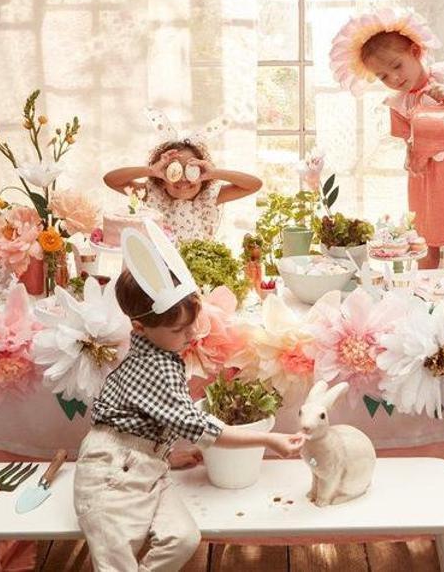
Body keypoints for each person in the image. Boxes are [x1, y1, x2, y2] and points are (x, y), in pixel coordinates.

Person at [73, 220, 304, 571]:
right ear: (139, 327)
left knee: (182, 538)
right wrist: (268, 440)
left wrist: (163, 455)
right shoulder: (155, 368)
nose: (191, 334)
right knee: (116, 557)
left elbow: (146, 421)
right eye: (179, 329)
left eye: (192, 323)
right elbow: (200, 427)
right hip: (112, 472)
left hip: (146, 467)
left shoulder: (160, 354)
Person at [330, 9, 444, 269]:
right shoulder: (400, 102)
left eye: (397, 66)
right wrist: (411, 156)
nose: (394, 78)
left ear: (415, 51)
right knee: (425, 243)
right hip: (429, 179)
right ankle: (421, 289)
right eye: (383, 76)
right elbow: (410, 143)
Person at [103, 137, 262, 242]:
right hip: (161, 271)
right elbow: (111, 180)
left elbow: (254, 184)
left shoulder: (209, 197)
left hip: (197, 274)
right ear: (162, 178)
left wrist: (214, 173)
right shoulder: (152, 194)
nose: (183, 179)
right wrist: (151, 170)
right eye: (176, 171)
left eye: (191, 170)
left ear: (201, 172)